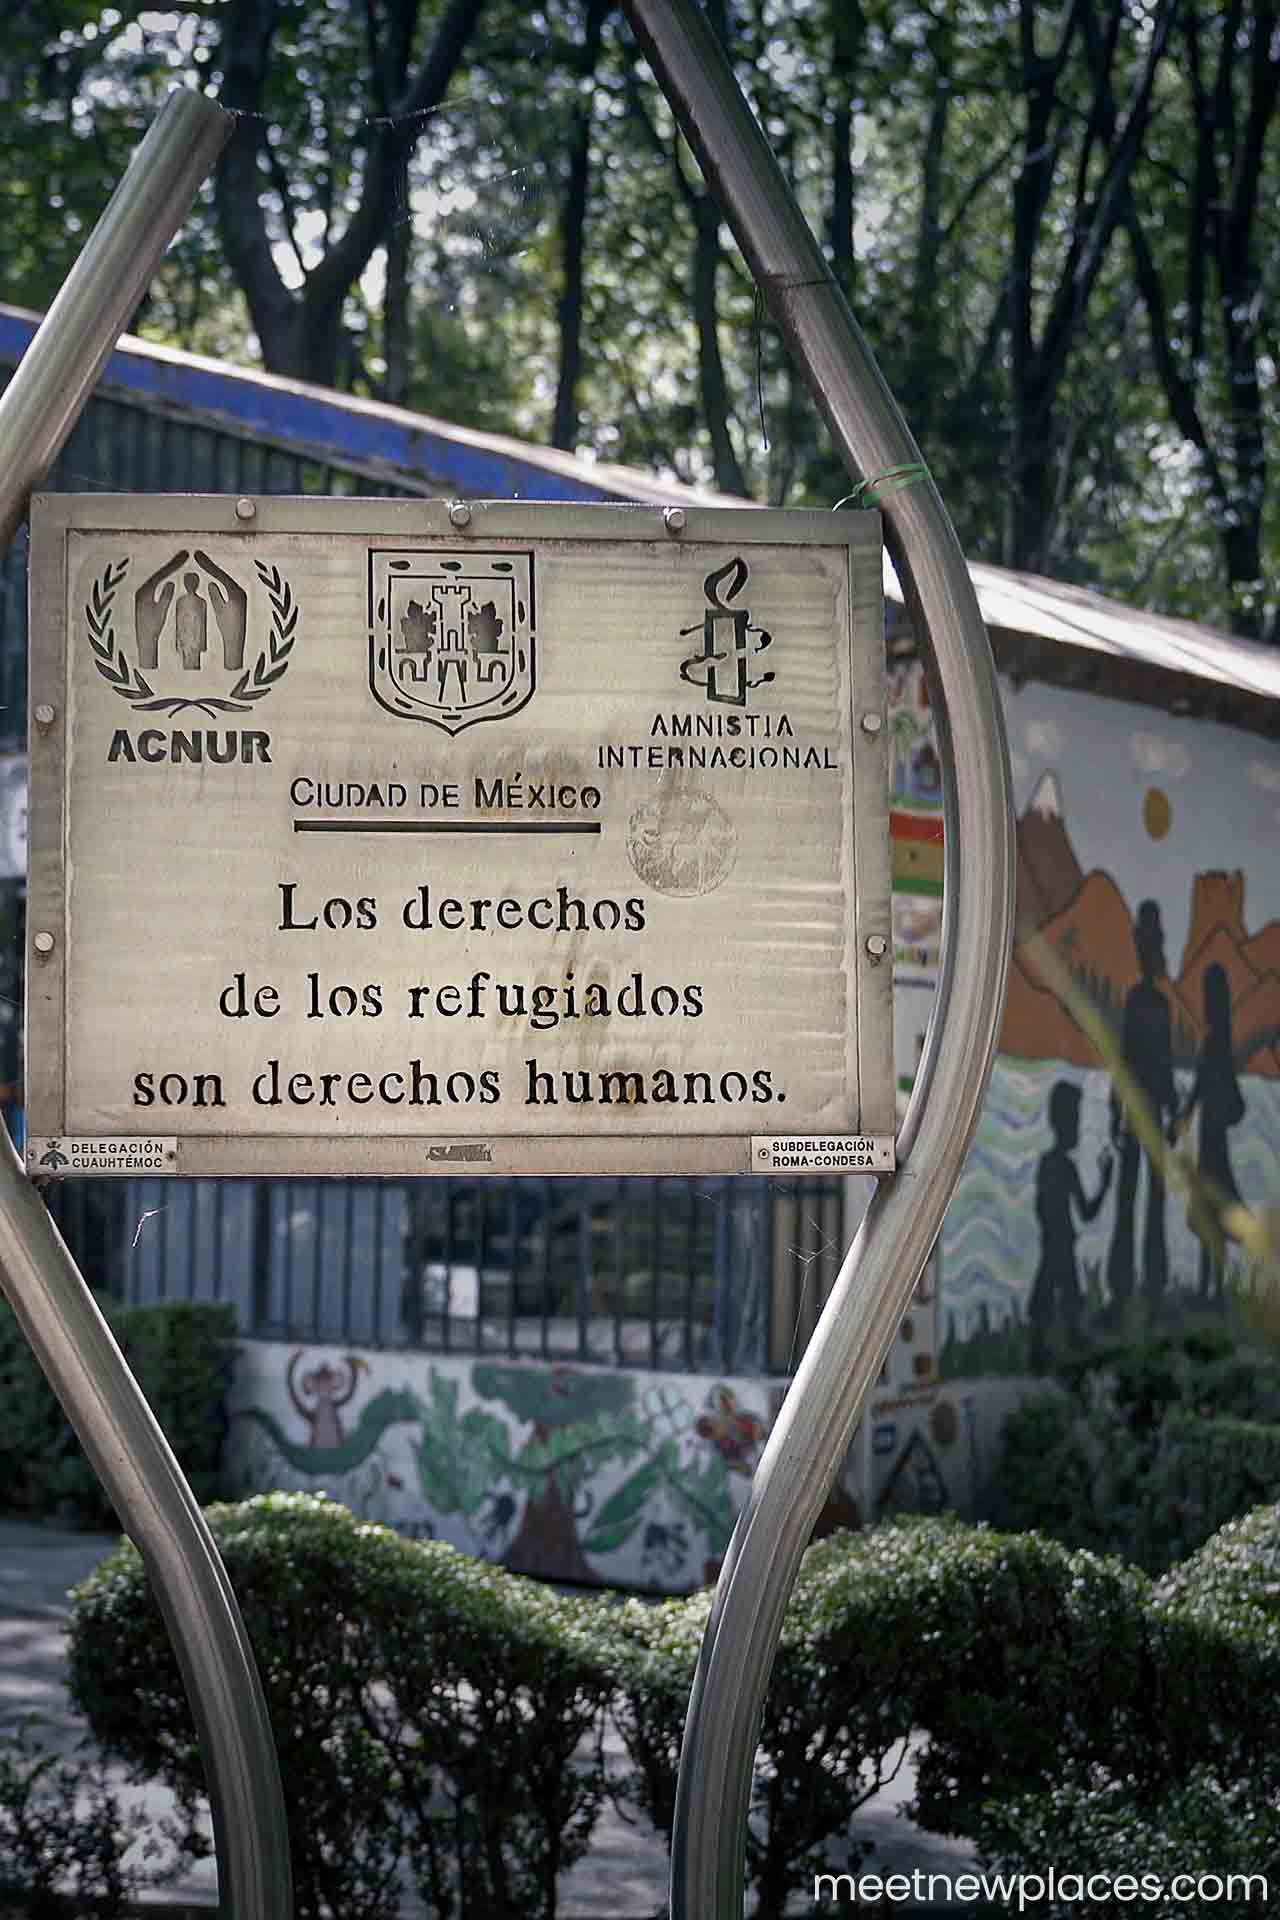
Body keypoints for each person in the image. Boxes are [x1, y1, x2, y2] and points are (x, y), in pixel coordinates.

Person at [1106, 900, 1178, 1315]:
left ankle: (1147, 1289)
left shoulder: (1150, 1003)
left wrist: (1166, 1113)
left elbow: (1154, 1064)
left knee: (1145, 1201)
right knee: (1135, 1201)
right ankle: (1129, 1290)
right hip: (1140, 1116)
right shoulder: (1141, 1002)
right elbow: (1128, 1061)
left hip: (1145, 1116)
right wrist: (1118, 1113)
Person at [1028, 1080, 1112, 1370]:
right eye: (1073, 1119)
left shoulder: (1058, 1165)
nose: (1076, 1126)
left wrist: (1104, 1183)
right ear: (1059, 1121)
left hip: (1059, 1241)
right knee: (1053, 1293)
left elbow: (1084, 1212)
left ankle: (1054, 1345)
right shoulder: (1056, 1165)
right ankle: (1044, 1347)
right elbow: (1076, 1211)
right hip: (1057, 1242)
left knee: (1063, 1293)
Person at [1181, 961, 1245, 1302]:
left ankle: (1214, 1289)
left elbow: (1210, 1093)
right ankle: (1214, 1288)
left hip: (1212, 1140)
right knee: (1213, 1215)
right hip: (1211, 1139)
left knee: (1211, 1215)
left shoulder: (1215, 1044)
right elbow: (1207, 1091)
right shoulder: (1219, 1043)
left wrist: (1188, 1116)